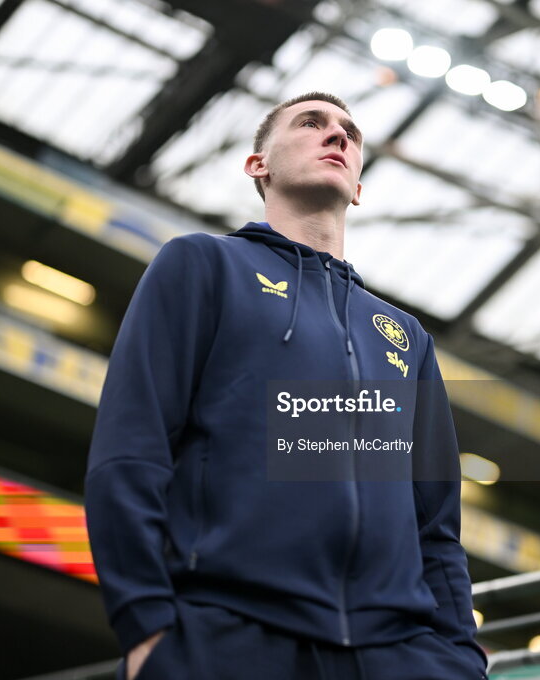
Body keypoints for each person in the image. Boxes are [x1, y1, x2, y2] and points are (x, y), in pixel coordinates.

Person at [85, 92, 488, 680]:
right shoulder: (202, 266)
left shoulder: (406, 337)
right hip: (230, 635)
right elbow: (131, 447)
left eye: (349, 132)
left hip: (394, 654)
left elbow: (436, 526)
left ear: (358, 186)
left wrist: (460, 660)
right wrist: (145, 621)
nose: (337, 136)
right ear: (258, 165)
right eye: (311, 123)